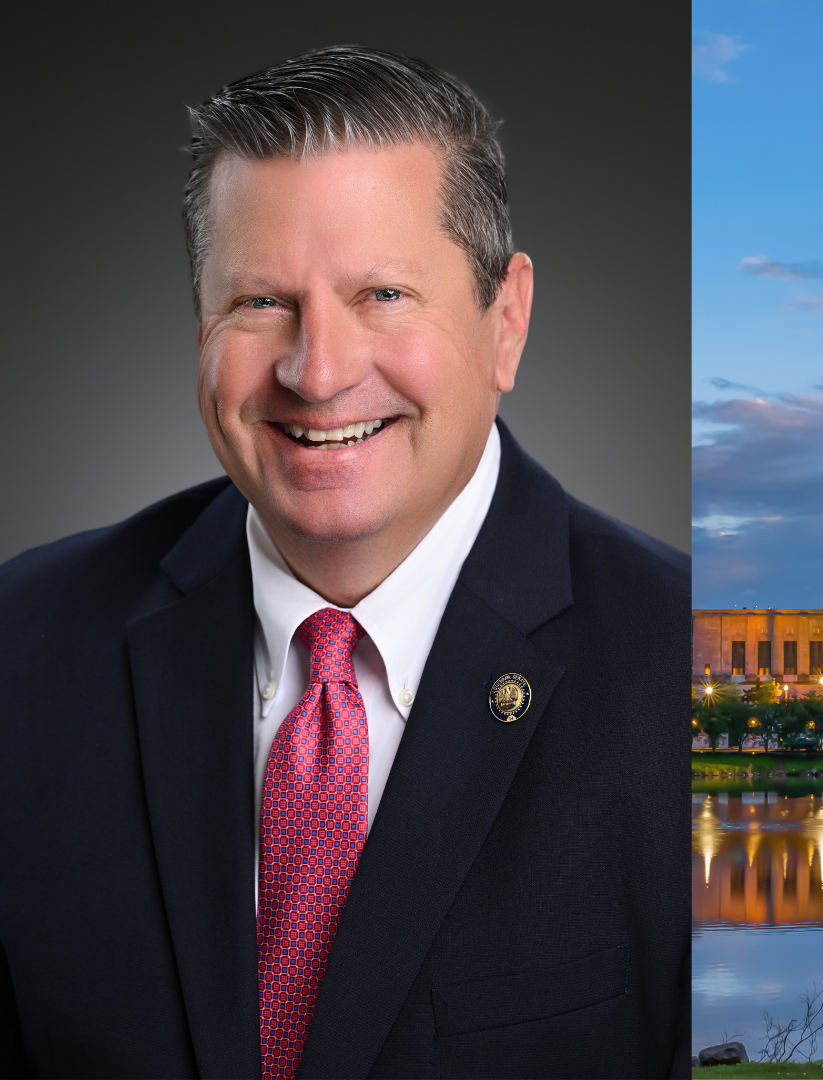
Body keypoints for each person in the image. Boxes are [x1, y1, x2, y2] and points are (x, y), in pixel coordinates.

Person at [0, 47, 688, 1078]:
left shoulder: (686, 676)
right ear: (200, 326)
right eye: (261, 302)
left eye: (382, 294)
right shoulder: (22, 647)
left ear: (507, 322)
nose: (316, 372)